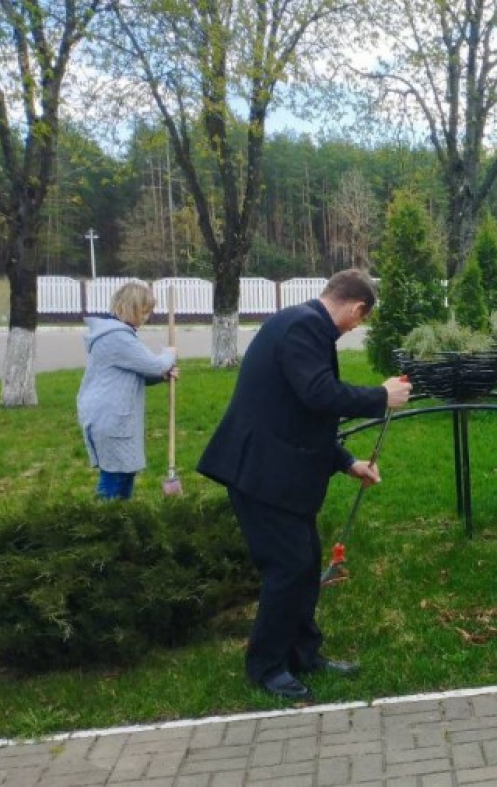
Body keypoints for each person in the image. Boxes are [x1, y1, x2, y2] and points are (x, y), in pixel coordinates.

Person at [198, 269, 413, 700]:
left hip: (275, 468)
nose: (356, 327)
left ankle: (304, 653)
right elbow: (319, 393)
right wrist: (379, 396)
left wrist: (348, 462)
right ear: (357, 308)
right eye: (360, 320)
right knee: (288, 568)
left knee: (304, 563)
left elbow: (303, 414)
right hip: (258, 472)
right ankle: (267, 667)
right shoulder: (303, 327)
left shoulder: (300, 323)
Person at [77, 282, 178, 501]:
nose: (147, 317)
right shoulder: (116, 336)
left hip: (113, 416)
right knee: (114, 475)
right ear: (131, 308)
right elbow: (154, 365)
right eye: (144, 311)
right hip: (109, 417)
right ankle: (105, 523)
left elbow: (137, 373)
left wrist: (162, 377)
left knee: (124, 472)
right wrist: (169, 355)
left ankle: (122, 519)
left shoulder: (118, 334)